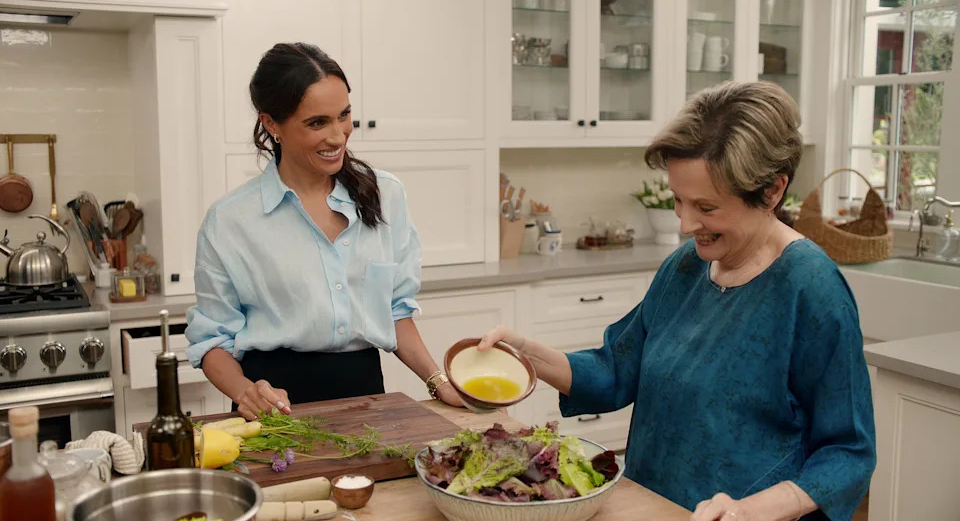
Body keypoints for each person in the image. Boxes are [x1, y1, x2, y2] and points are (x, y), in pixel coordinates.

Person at [479, 81, 875, 520]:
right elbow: (616, 370)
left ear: (772, 192)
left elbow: (848, 452)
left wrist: (749, 510)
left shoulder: (811, 288)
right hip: (648, 507)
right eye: (678, 200)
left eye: (707, 208)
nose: (686, 224)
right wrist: (525, 355)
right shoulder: (686, 266)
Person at [185, 42, 462, 420]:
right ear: (271, 124)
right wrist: (246, 393)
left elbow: (396, 312)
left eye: (344, 115)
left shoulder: (386, 196)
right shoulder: (230, 221)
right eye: (317, 123)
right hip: (273, 406)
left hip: (367, 399)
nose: (338, 136)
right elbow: (212, 339)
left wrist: (438, 381)